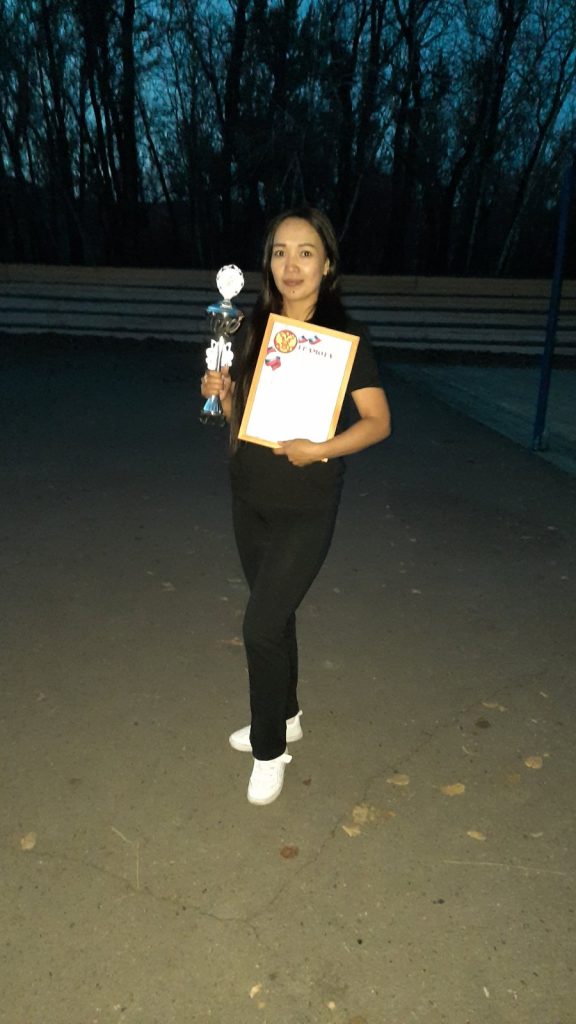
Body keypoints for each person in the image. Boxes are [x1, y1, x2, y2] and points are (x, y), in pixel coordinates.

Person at [200, 207, 391, 806]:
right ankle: (287, 717)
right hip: (249, 498)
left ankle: (269, 750)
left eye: (305, 252)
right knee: (275, 617)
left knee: (258, 625)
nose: (291, 264)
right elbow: (244, 420)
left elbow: (378, 422)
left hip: (306, 506)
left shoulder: (344, 339)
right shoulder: (254, 328)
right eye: (280, 251)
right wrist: (223, 395)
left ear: (326, 264)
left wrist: (321, 448)